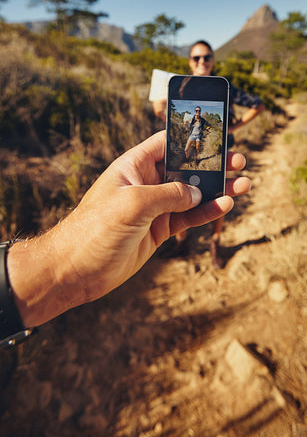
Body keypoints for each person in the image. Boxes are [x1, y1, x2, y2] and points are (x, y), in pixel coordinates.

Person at [0, 131, 250, 346]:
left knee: (216, 203)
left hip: (207, 159)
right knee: (193, 208)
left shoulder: (223, 91)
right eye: (196, 68)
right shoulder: (178, 89)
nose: (201, 69)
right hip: (180, 162)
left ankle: (214, 242)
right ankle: (183, 243)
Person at [153, 40, 265, 268]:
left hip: (221, 150)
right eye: (197, 58)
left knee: (218, 195)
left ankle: (215, 243)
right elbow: (170, 113)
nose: (202, 62)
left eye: (207, 57)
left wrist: (232, 127)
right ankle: (181, 241)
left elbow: (258, 104)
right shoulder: (181, 85)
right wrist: (160, 110)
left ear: (213, 60)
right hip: (185, 145)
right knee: (180, 193)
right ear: (190, 61)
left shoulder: (225, 86)